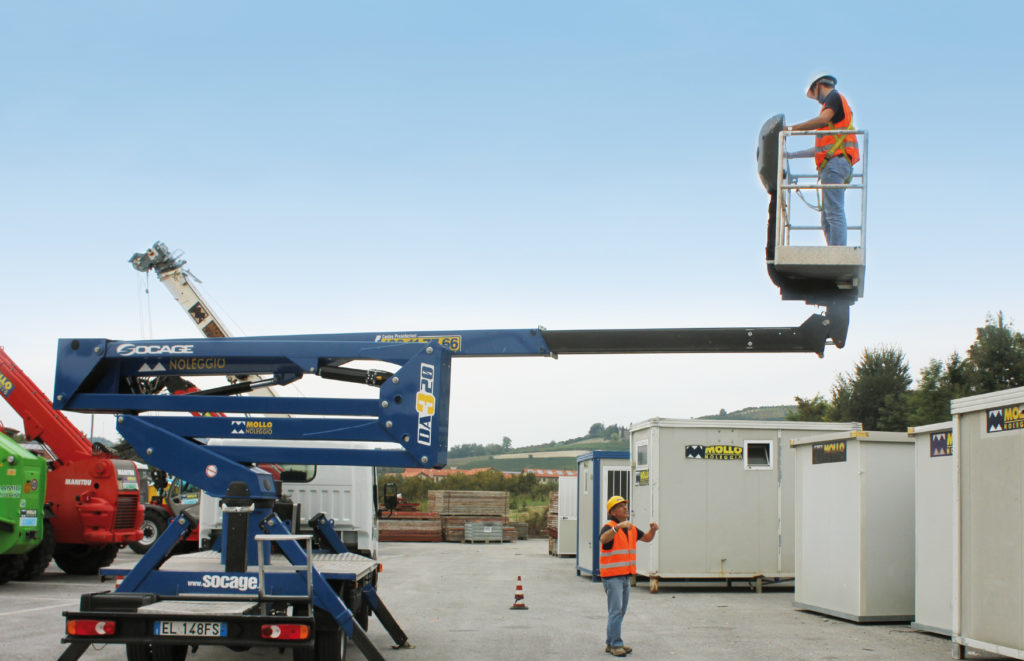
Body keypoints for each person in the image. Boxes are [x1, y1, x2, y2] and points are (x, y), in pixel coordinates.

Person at [785, 73, 860, 246]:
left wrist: (791, 129)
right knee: (827, 218)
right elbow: (820, 150)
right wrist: (791, 155)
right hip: (834, 163)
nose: (818, 101)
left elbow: (822, 120)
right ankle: (834, 249)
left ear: (818, 85)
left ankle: (837, 253)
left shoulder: (833, 98)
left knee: (833, 213)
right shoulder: (834, 115)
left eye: (814, 94)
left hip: (835, 163)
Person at [599, 495, 659, 657]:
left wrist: (653, 530)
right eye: (621, 506)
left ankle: (611, 642)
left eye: (625, 505)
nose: (625, 508)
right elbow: (603, 539)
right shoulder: (609, 527)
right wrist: (617, 528)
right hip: (612, 577)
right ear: (613, 512)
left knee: (621, 610)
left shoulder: (631, 529)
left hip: (625, 576)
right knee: (616, 611)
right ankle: (616, 644)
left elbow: (647, 538)